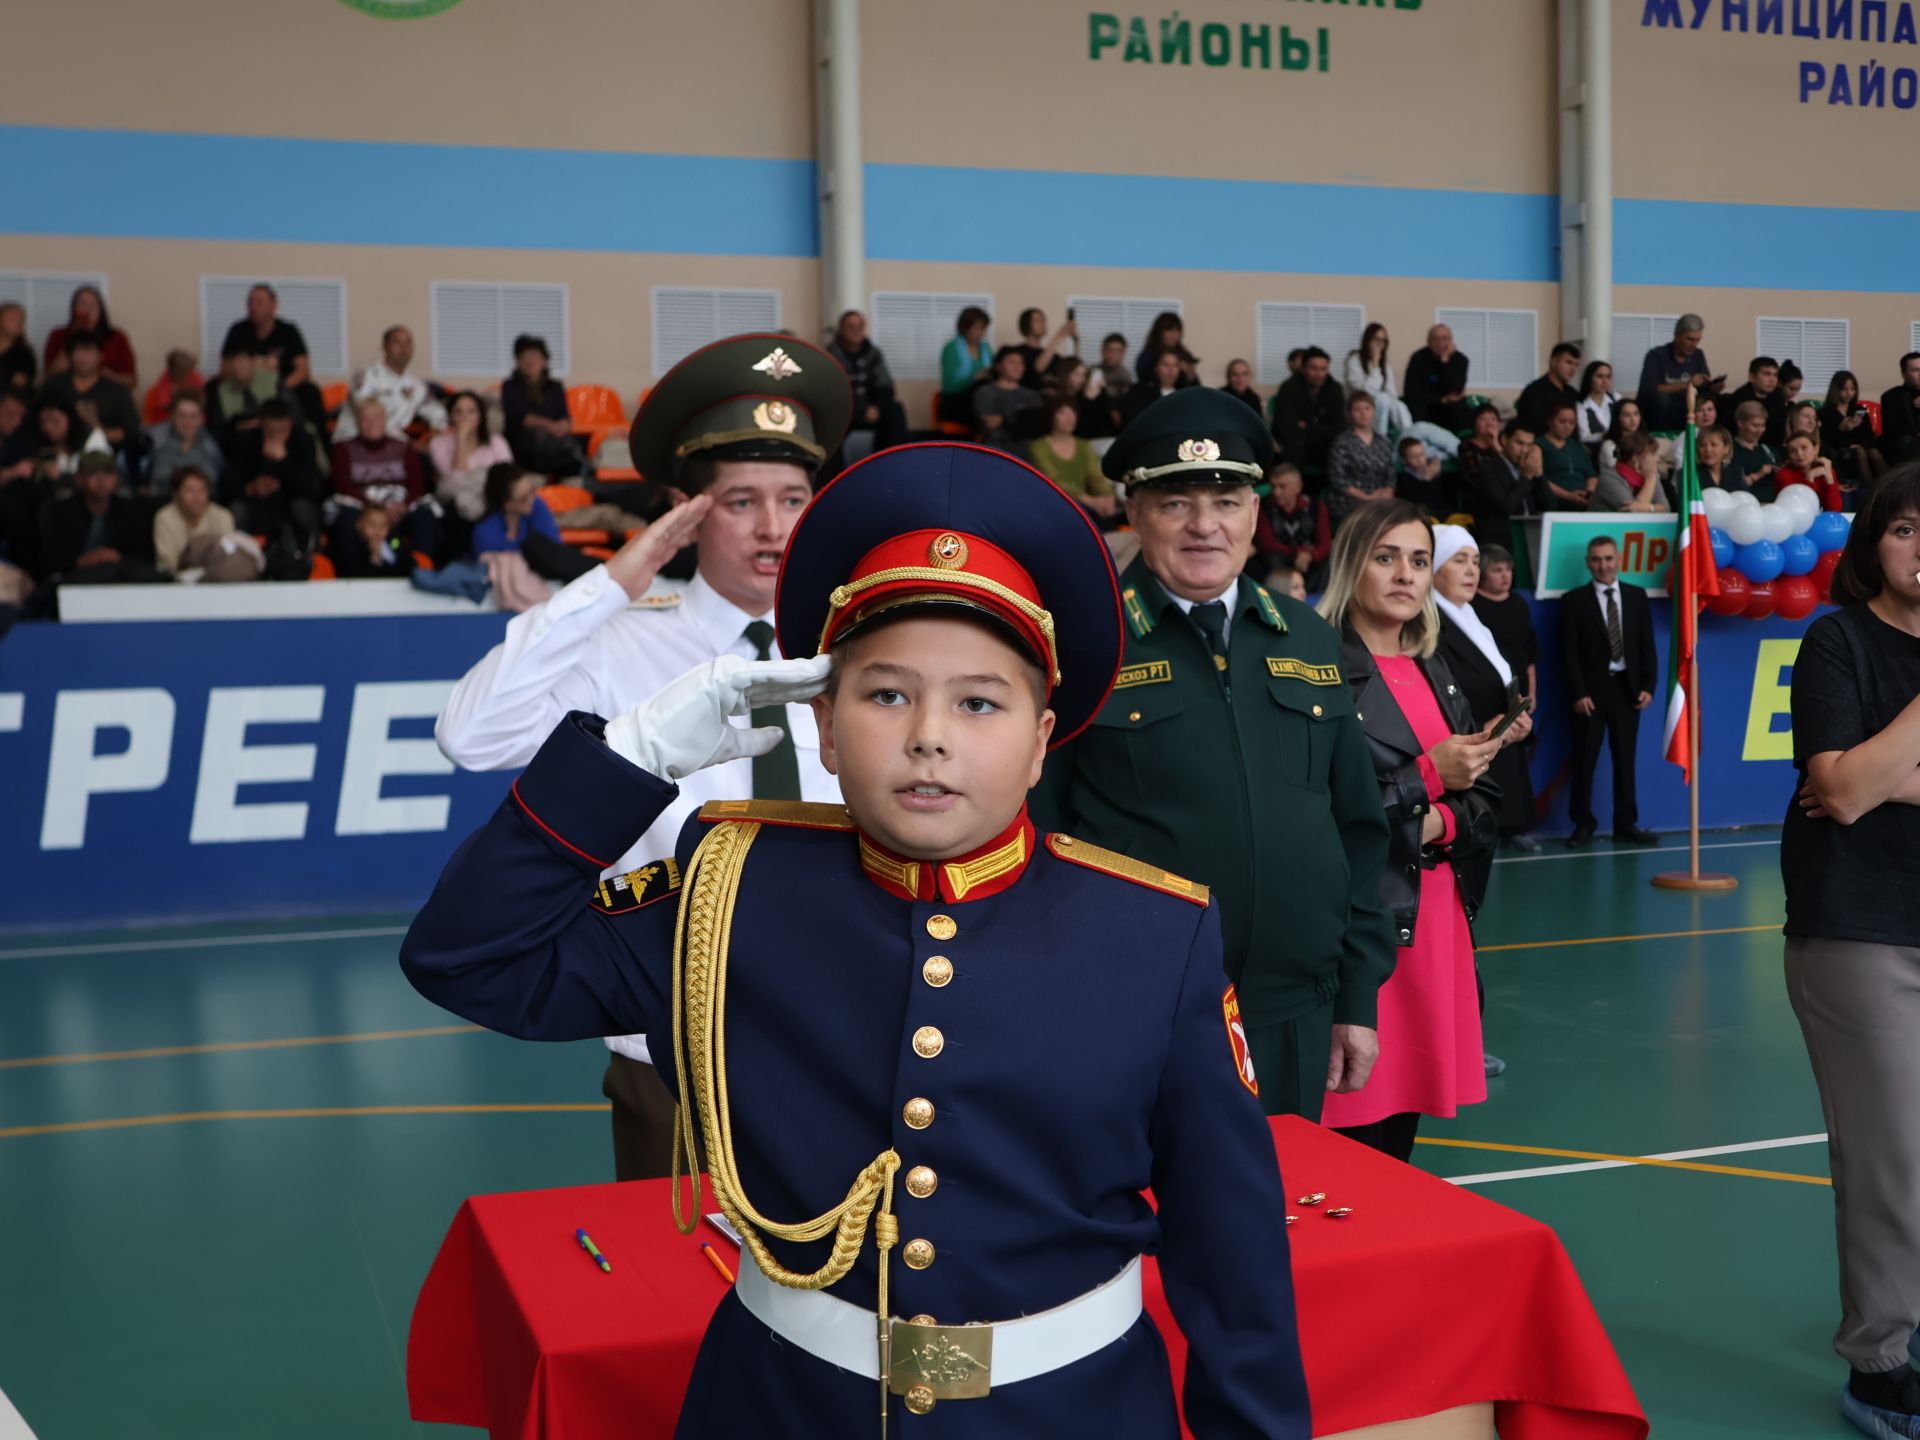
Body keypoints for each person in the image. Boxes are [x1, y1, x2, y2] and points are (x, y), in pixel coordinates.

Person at [401, 434, 1312, 1437]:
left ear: (1042, 738)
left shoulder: (1154, 932)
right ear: (824, 726)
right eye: (886, 694)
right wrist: (629, 760)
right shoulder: (726, 892)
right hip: (783, 1405)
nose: (929, 734)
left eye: (979, 702)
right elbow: (469, 958)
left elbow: (1232, 1260)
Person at [436, 334, 852, 1182]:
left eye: (794, 498)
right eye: (740, 502)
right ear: (687, 511)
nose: (773, 527)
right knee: (673, 1296)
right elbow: (470, 735)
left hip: (843, 1028)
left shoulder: (855, 645)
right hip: (673, 1035)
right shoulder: (616, 644)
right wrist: (611, 585)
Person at [1034, 386, 1396, 1125]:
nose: (1205, 525)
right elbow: (1040, 834)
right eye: (1175, 503)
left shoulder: (1307, 637)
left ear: (1256, 515)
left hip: (1296, 1013)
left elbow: (1358, 828)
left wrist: (1356, 996)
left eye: (1227, 500)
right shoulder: (1082, 646)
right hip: (1136, 1014)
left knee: (1282, 1225)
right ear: (1133, 512)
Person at [1782, 467, 1920, 1440]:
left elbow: (1860, 781)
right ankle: (1878, 1360)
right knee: (1890, 1155)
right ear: (1873, 542)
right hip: (1859, 926)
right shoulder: (1837, 641)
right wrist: (1869, 773)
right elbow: (1838, 794)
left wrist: (1876, 776)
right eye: (1909, 529)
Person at [1315, 504, 1504, 1159]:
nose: (1405, 574)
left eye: (1419, 561)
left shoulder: (1436, 667)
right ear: (1351, 566)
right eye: (1385, 557)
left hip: (1436, 921)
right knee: (1349, 1134)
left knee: (1399, 1142)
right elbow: (1317, 813)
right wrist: (1428, 781)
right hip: (1365, 926)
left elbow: (1484, 798)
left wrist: (1441, 816)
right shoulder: (1319, 669)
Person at [1561, 535, 1659, 847]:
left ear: (1618, 559)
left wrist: (1648, 685)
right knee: (1585, 760)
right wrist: (1578, 693)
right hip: (1590, 693)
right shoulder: (1573, 601)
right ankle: (1583, 823)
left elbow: (1646, 645)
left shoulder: (1636, 596)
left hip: (1627, 690)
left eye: (1608, 558)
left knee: (1625, 760)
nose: (1603, 565)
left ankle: (1625, 824)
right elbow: (1569, 653)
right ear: (1588, 563)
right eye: (1596, 560)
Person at [1471, 542, 1541, 850]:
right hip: (1486, 697)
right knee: (1488, 759)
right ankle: (1488, 827)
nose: (1505, 576)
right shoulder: (1472, 606)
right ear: (1483, 575)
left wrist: (1531, 693)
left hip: (1517, 694)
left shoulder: (1519, 604)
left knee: (1516, 764)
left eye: (1509, 570)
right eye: (1497, 570)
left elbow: (1529, 653)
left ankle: (1516, 827)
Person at [330, 394, 432, 554]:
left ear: (385, 419)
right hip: (362, 503)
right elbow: (343, 485)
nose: (372, 423)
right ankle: (353, 572)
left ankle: (421, 567)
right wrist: (378, 508)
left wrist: (402, 505)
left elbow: (417, 485)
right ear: (357, 421)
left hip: (399, 503)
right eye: (366, 418)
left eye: (377, 417)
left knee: (424, 516)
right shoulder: (343, 448)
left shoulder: (403, 446)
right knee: (347, 518)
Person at [34, 451, 154, 585]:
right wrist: (80, 561)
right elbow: (48, 559)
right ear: (79, 478)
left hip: (121, 580)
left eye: (108, 473)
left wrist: (117, 556)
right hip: (72, 581)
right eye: (93, 473)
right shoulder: (60, 512)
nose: (101, 480)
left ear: (116, 478)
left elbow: (144, 556)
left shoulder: (131, 511)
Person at [222, 396, 322, 548]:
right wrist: (251, 488)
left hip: (289, 501)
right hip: (255, 502)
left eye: (281, 430)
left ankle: (307, 555)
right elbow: (228, 481)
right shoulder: (245, 441)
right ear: (261, 424)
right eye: (271, 431)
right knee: (237, 509)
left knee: (302, 509)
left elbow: (311, 487)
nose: (276, 435)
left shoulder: (303, 440)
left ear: (289, 424)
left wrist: (283, 459)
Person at [221, 283, 323, 428]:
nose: (253, 307)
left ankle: (318, 441)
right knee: (212, 389)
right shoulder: (237, 331)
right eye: (250, 302)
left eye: (259, 302)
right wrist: (254, 366)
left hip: (282, 386)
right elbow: (224, 371)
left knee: (311, 392)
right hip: (246, 387)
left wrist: (278, 387)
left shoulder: (288, 331)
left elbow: (303, 370)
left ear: (273, 305)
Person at [331, 324, 446, 441]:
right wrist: (408, 444)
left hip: (392, 445)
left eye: (408, 343)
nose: (404, 348)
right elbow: (367, 417)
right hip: (354, 441)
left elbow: (438, 413)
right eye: (397, 343)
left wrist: (434, 434)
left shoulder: (416, 386)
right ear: (385, 347)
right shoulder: (367, 376)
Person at [824, 309, 908, 457]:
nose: (856, 331)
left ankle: (892, 461)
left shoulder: (873, 353)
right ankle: (833, 476)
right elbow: (827, 389)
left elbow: (886, 385)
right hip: (844, 411)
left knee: (895, 410)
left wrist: (876, 406)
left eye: (860, 326)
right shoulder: (830, 354)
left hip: (870, 410)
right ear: (841, 329)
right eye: (851, 326)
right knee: (829, 423)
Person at [41, 334, 139, 456]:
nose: (83, 357)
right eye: (78, 351)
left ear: (100, 355)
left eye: (89, 351)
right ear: (70, 355)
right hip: (57, 453)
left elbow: (130, 430)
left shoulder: (116, 391)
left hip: (104, 458)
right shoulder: (54, 386)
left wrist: (99, 435)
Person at [1026, 396, 1118, 524]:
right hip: (1055, 504)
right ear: (1052, 416)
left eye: (1073, 412)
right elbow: (1053, 481)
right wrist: (1091, 501)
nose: (1070, 418)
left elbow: (1096, 477)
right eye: (1063, 412)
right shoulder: (1039, 447)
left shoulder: (1083, 445)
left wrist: (1108, 498)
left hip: (1086, 505)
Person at [496, 334, 579, 476]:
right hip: (522, 443)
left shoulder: (555, 386)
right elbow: (521, 418)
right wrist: (550, 426)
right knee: (539, 436)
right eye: (524, 357)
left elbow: (564, 415)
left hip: (553, 441)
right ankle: (575, 465)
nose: (530, 361)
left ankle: (570, 469)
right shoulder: (510, 386)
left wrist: (564, 425)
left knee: (568, 439)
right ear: (518, 362)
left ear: (545, 360)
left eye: (534, 356)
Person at [428, 390, 514, 526]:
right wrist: (461, 440)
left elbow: (506, 476)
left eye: (471, 411)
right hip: (458, 504)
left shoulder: (496, 442)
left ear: (480, 415)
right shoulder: (438, 444)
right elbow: (456, 481)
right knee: (462, 500)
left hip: (491, 498)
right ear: (450, 416)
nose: (465, 417)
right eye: (458, 412)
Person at [1458, 416, 1539, 546]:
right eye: (1520, 443)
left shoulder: (1528, 467)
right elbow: (1506, 507)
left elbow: (1549, 505)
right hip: (1500, 539)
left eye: (1529, 445)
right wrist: (1526, 477)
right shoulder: (1488, 470)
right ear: (1504, 440)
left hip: (1531, 534)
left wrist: (1539, 474)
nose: (1524, 450)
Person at [1254, 461, 1330, 593]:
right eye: (1274, 487)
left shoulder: (1316, 507)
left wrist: (1310, 555)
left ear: (1298, 487)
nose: (1276, 492)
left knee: (1328, 562)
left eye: (1282, 487)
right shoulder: (1264, 508)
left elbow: (1325, 543)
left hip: (1308, 563)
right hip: (1280, 561)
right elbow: (1266, 543)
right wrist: (1298, 552)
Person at [41, 285, 136, 391]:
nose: (88, 309)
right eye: (83, 304)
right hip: (67, 395)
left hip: (107, 395)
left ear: (100, 311)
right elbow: (49, 377)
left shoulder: (117, 337)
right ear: (74, 309)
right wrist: (72, 336)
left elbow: (131, 381)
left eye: (93, 305)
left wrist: (110, 376)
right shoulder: (58, 335)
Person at [1636, 313, 1719, 433]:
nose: (1693, 344)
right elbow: (1650, 389)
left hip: (1688, 409)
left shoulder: (1698, 355)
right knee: (1662, 399)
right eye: (1689, 339)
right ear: (1677, 336)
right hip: (1660, 413)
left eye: (1697, 340)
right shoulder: (1656, 356)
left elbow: (1703, 388)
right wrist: (1687, 383)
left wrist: (1713, 387)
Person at [1269, 346, 1344, 473]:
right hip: (1296, 445)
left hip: (1324, 445)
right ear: (1303, 369)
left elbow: (1339, 427)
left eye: (1323, 369)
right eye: (1314, 368)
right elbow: (1285, 426)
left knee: (1340, 449)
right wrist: (1320, 427)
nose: (1319, 374)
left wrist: (1308, 426)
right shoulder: (1289, 388)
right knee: (1293, 447)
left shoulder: (1335, 389)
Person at [151, 465, 236, 576]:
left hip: (216, 581)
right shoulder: (164, 517)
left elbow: (228, 557)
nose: (197, 497)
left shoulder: (222, 516)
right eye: (190, 490)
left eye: (202, 490)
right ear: (176, 494)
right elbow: (167, 562)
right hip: (174, 583)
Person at [1326, 392, 1397, 525]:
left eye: (1367, 408)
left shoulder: (1383, 442)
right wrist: (1367, 497)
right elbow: (1338, 479)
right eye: (1357, 409)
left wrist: (1388, 491)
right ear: (1350, 413)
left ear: (1374, 412)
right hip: (1350, 501)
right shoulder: (1342, 442)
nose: (1363, 414)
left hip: (1380, 499)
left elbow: (1390, 473)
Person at [142, 390, 226, 498]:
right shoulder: (154, 439)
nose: (187, 422)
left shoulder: (211, 446)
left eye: (193, 416)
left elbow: (215, 483)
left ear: (201, 419)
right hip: (160, 503)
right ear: (172, 416)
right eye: (181, 415)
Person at [1344, 323, 1412, 438]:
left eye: (1383, 340)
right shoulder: (1354, 360)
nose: (1380, 344)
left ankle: (1409, 438)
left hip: (1382, 406)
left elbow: (1392, 392)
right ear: (1368, 340)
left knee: (1400, 405)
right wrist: (1375, 364)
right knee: (1383, 399)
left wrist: (1393, 405)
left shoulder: (1385, 364)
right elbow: (1367, 390)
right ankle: (1380, 438)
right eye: (1376, 339)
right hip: (1359, 403)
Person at [1402, 324, 1473, 434]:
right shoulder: (1418, 358)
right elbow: (1411, 391)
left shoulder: (1461, 360)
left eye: (1445, 339)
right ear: (1428, 341)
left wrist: (1445, 362)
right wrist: (1440, 400)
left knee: (1459, 408)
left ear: (1451, 341)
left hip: (1449, 407)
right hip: (1427, 405)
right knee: (1416, 406)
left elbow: (1455, 390)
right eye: (1436, 339)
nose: (1440, 343)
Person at [204, 341, 275, 450]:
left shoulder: (272, 382)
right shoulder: (219, 389)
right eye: (233, 361)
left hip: (271, 430)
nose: (236, 366)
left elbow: (286, 412)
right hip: (237, 437)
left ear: (253, 362)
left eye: (241, 361)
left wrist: (261, 423)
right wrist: (239, 427)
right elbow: (218, 425)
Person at [1821, 369, 1887, 487]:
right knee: (1860, 452)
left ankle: (1886, 485)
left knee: (1874, 452)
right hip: (1841, 447)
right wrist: (1842, 429)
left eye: (1852, 389)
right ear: (1836, 390)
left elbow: (1869, 434)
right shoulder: (1827, 412)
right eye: (1844, 389)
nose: (1849, 393)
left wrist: (1864, 444)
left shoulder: (1859, 410)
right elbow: (1825, 437)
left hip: (1862, 445)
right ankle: (1869, 486)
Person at [971, 347, 1042, 451]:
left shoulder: (1032, 395)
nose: (1017, 366)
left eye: (1021, 362)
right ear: (999, 366)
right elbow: (990, 424)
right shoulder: (985, 392)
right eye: (1011, 362)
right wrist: (1020, 419)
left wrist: (1004, 420)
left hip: (1029, 449)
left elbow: (1038, 425)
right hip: (997, 448)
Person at [1536, 400, 1598, 510]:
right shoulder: (1539, 446)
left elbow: (1591, 476)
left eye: (1572, 422)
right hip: (1554, 502)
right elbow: (1539, 479)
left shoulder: (1577, 446)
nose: (1567, 426)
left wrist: (1589, 492)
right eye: (1562, 421)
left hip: (1584, 502)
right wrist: (1568, 495)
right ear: (1550, 421)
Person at [937, 306, 993, 423]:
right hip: (956, 402)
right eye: (977, 328)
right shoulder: (951, 348)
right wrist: (975, 378)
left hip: (982, 400)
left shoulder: (985, 348)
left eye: (983, 329)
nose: (981, 333)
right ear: (965, 328)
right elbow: (948, 387)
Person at [331, 504, 414, 579]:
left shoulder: (394, 541)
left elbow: (411, 568)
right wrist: (375, 558)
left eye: (383, 525)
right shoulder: (351, 547)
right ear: (359, 525)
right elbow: (358, 579)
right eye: (372, 524)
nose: (377, 530)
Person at [1517, 342, 1582, 437]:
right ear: (1554, 362)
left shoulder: (1572, 393)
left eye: (1576, 365)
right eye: (1568, 362)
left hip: (1570, 446)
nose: (1573, 368)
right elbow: (1535, 427)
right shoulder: (1534, 391)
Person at [1596, 431, 1668, 513]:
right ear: (1635, 459)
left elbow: (1666, 509)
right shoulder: (1608, 479)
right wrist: (1650, 479)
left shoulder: (1650, 475)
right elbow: (1634, 513)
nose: (1657, 459)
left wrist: (1650, 508)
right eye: (1653, 454)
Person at [1724, 356, 1787, 448]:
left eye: (1775, 375)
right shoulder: (1738, 399)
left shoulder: (1777, 396)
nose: (1772, 380)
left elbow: (1780, 429)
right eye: (1767, 374)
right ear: (1752, 377)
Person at [1776, 431, 1846, 513]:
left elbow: (1835, 510)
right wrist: (1810, 478)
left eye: (1804, 448)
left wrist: (1830, 478)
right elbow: (1802, 511)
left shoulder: (1824, 470)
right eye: (1792, 451)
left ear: (1816, 449)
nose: (1799, 454)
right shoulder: (1784, 474)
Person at [1008, 307, 1076, 386]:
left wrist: (1076, 341)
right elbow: (1038, 368)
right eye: (1038, 320)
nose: (1043, 323)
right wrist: (1059, 336)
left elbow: (1071, 371)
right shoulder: (1016, 352)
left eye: (1044, 320)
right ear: (1026, 323)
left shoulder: (1053, 356)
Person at [1729, 400, 1782, 498]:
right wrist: (1758, 475)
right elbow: (1729, 486)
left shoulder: (1770, 451)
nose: (1760, 430)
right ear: (1740, 423)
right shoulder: (1729, 451)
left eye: (1763, 425)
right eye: (1755, 425)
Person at [1878, 352, 1920, 468]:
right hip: (1903, 446)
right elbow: (1895, 431)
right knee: (1906, 442)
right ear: (1904, 374)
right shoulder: (1892, 396)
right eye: (1915, 370)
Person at [1134, 310, 1197, 386]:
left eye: (1177, 330)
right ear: (1159, 332)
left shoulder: (1184, 354)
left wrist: (1189, 372)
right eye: (1169, 330)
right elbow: (1143, 380)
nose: (1173, 335)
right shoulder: (1147, 356)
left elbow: (1195, 385)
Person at [1123, 347, 1184, 424]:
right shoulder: (1140, 392)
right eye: (1166, 365)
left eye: (1175, 365)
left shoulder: (1184, 392)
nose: (1171, 370)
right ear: (1156, 367)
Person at [1393, 436, 1449, 518]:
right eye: (1414, 457)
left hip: (1442, 512)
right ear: (1404, 460)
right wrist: (1428, 476)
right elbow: (1419, 498)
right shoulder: (1402, 478)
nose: (1420, 459)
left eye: (1422, 454)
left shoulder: (1433, 471)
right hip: (1419, 516)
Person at [1576, 360, 1618, 449]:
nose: (1605, 381)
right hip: (1598, 450)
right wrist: (1605, 435)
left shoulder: (1616, 398)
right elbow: (1584, 437)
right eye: (1600, 377)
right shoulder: (1581, 405)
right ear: (1589, 379)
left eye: (1608, 377)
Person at [1094, 331, 1133, 420]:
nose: (1112, 354)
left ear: (1123, 353)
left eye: (1117, 351)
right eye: (1109, 350)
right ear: (1103, 351)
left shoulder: (1125, 375)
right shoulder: (1094, 372)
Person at [0, 301, 35, 395]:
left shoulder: (24, 354)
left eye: (21, 320)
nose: (18, 323)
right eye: (13, 319)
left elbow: (21, 383)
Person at [1696, 424, 1736, 491]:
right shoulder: (1690, 474)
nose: (1708, 450)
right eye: (1702, 445)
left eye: (1713, 445)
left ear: (1726, 448)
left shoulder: (1736, 472)